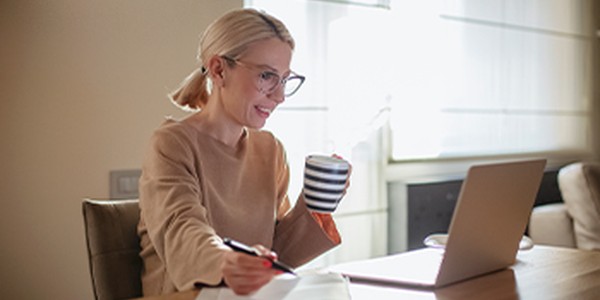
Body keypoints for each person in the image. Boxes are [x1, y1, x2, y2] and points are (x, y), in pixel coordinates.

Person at [137, 8, 350, 296]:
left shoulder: (269, 149)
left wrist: (316, 205)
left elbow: (276, 254)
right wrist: (226, 262)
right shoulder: (172, 144)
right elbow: (182, 229)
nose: (279, 96)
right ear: (219, 70)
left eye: (285, 79)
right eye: (266, 76)